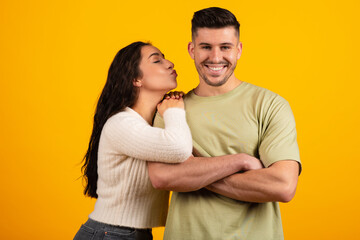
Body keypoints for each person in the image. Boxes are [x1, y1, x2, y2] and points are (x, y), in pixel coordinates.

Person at [147, 7, 302, 240]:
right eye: (206, 47)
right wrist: (239, 162)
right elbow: (163, 178)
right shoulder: (171, 109)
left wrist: (193, 169)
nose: (216, 57)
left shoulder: (270, 105)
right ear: (192, 49)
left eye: (225, 47)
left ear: (238, 50)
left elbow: (283, 185)